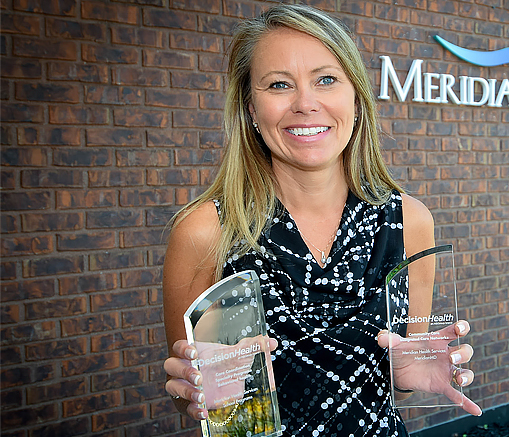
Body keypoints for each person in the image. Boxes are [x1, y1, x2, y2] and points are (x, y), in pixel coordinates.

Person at [162, 4, 481, 436]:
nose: (305, 104)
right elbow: (198, 399)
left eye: (326, 79)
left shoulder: (409, 221)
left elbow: (397, 383)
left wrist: (406, 374)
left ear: (355, 96)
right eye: (279, 85)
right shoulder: (205, 233)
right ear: (251, 109)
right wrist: (196, 393)